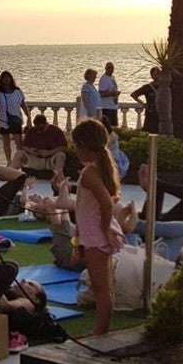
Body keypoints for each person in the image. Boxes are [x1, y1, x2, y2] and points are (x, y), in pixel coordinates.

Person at [70, 118, 124, 337]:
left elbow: (106, 202)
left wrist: (104, 230)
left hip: (96, 238)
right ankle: (101, 328)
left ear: (83, 145)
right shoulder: (95, 170)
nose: (74, 150)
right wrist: (78, 238)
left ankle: (100, 330)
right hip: (92, 236)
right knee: (103, 287)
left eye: (75, 146)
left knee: (101, 289)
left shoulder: (90, 173)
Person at [0, 71, 27, 163]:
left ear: (11, 79)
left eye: (7, 77)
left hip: (15, 119)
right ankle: (9, 160)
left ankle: (20, 160)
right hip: (3, 120)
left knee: (18, 142)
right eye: (3, 77)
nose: (6, 79)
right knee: (6, 142)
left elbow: (23, 104)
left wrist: (28, 116)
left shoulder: (17, 91)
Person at [130, 67, 160, 133]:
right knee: (149, 131)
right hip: (151, 112)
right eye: (155, 74)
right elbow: (133, 95)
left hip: (161, 113)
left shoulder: (164, 87)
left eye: (158, 74)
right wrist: (143, 104)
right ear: (151, 75)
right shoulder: (147, 87)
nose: (157, 76)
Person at [98, 62, 119, 127]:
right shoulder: (103, 79)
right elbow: (102, 93)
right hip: (107, 107)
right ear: (105, 68)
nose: (111, 69)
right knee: (108, 127)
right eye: (109, 68)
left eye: (112, 68)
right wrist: (113, 93)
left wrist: (116, 95)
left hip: (113, 106)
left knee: (114, 127)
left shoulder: (113, 77)